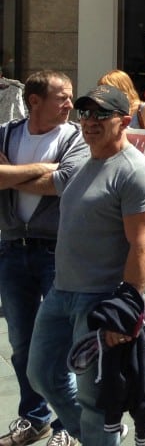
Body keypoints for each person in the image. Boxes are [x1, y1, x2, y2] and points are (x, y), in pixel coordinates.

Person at [26, 85, 145, 446]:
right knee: (40, 375)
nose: (90, 122)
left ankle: (98, 432)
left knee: (94, 400)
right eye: (85, 114)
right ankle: (93, 434)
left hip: (99, 302)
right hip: (61, 292)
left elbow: (144, 244)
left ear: (124, 122)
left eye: (102, 114)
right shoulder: (87, 161)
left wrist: (125, 312)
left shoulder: (135, 172)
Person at [0, 72, 89, 446]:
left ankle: (70, 425)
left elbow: (65, 182)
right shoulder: (5, 132)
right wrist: (43, 169)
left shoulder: (75, 137)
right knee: (21, 343)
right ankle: (35, 417)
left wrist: (9, 175)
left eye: (70, 97)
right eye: (62, 98)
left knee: (57, 346)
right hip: (10, 248)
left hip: (56, 251)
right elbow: (50, 177)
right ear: (34, 101)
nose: (71, 104)